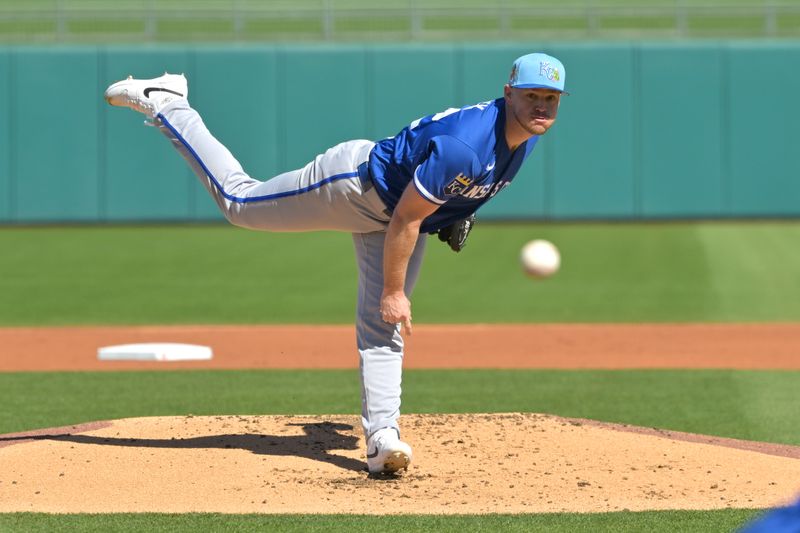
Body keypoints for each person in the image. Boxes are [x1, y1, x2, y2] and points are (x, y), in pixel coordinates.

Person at [104, 52, 567, 475]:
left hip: (394, 210)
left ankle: (383, 438)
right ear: (509, 93)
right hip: (354, 186)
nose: (541, 106)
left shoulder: (522, 138)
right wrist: (393, 290)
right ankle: (168, 102)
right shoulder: (467, 143)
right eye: (531, 96)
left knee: (383, 328)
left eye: (550, 98)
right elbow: (408, 215)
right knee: (239, 202)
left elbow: (444, 198)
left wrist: (455, 213)